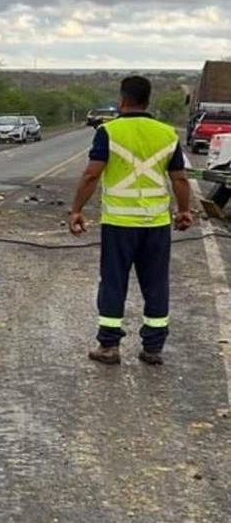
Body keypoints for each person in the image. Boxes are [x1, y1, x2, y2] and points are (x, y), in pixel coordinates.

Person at [68, 75, 193, 366]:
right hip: (156, 224)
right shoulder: (167, 134)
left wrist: (76, 209)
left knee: (113, 281)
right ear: (148, 101)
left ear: (122, 100)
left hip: (119, 223)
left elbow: (91, 174)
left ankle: (109, 346)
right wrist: (184, 211)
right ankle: (153, 347)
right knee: (156, 284)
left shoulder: (108, 132)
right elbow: (180, 179)